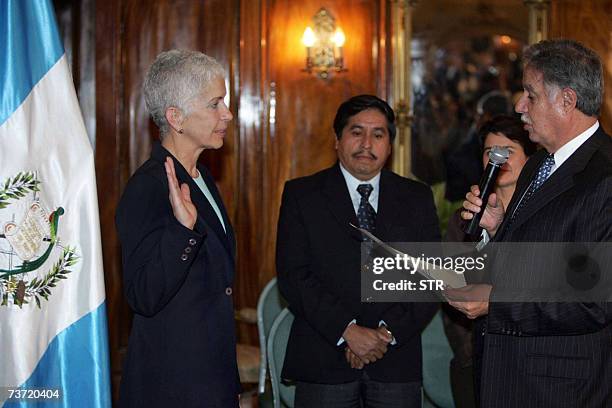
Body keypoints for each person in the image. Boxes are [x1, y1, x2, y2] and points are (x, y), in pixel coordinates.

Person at [448, 39, 612, 406]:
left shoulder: (605, 176)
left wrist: (496, 302)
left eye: (531, 95)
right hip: (505, 375)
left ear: (567, 101)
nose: (519, 106)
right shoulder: (538, 165)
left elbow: (594, 301)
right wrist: (498, 228)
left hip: (560, 390)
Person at [276, 95, 440, 407]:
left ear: (390, 145)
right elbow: (293, 276)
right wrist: (348, 331)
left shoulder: (416, 197)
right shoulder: (302, 195)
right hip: (324, 357)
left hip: (395, 362)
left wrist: (384, 334)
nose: (367, 143)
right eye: (356, 132)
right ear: (336, 139)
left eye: (378, 134)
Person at [115, 50, 239, 407]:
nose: (227, 114)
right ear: (176, 117)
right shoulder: (148, 187)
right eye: (215, 104)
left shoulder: (200, 176)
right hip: (172, 385)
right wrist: (183, 231)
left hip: (210, 376)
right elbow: (143, 295)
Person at [443, 115, 536, 408]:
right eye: (490, 152)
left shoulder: (542, 216)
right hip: (475, 359)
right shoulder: (464, 218)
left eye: (508, 151)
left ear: (530, 157)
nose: (499, 158)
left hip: (529, 359)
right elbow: (450, 284)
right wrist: (470, 352)